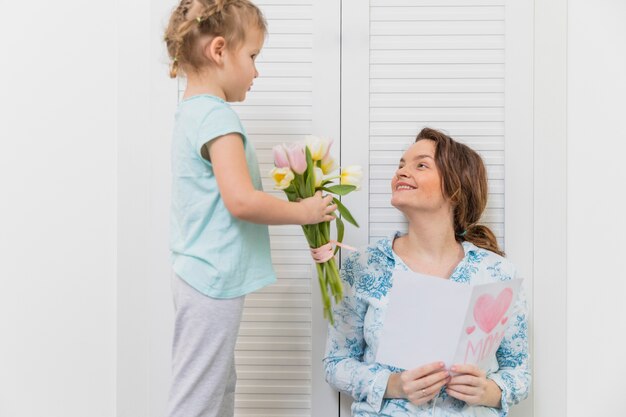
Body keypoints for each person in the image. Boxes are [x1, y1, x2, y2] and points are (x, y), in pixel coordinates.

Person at [163, 1, 336, 416]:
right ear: (219, 51)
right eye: (253, 56)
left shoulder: (193, 113)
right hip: (210, 278)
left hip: (204, 276)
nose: (257, 71)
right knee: (198, 398)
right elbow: (239, 200)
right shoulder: (216, 117)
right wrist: (306, 212)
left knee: (217, 390)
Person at [324, 127, 530, 416]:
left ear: (455, 188)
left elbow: (519, 372)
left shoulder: (497, 273)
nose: (401, 173)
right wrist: (393, 384)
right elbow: (336, 363)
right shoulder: (364, 267)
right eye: (401, 165)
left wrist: (489, 391)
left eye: (420, 165)